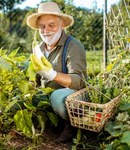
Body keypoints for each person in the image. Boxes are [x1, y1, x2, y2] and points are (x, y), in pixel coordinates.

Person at [26, 2, 87, 142]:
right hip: (46, 95)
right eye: (42, 26)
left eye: (51, 25)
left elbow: (79, 81)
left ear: (62, 25)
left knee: (57, 97)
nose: (46, 30)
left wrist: (52, 75)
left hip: (71, 97)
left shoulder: (73, 45)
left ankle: (72, 125)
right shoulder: (39, 48)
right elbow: (35, 79)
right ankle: (52, 122)